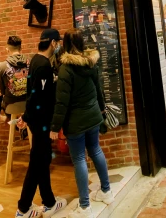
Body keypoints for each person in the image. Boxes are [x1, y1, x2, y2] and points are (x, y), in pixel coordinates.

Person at [51, 31, 113, 218]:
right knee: (96, 150)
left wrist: (55, 127)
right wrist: (101, 110)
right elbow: (98, 90)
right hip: (93, 116)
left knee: (79, 159)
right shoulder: (91, 63)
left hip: (76, 122)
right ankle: (106, 191)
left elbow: (62, 102)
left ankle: (85, 207)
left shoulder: (66, 69)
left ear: (66, 44)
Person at [15, 30, 67, 218]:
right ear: (53, 43)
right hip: (42, 123)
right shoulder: (43, 65)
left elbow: (33, 92)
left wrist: (26, 116)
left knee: (42, 160)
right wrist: (27, 117)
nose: (59, 46)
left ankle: (49, 202)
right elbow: (39, 97)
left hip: (37, 121)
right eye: (58, 43)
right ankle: (23, 208)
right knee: (38, 163)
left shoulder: (35, 60)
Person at [0, 36, 29, 109]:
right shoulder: (30, 62)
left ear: (7, 50)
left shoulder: (2, 67)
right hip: (28, 105)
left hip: (10, 106)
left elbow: (2, 92)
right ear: (21, 49)